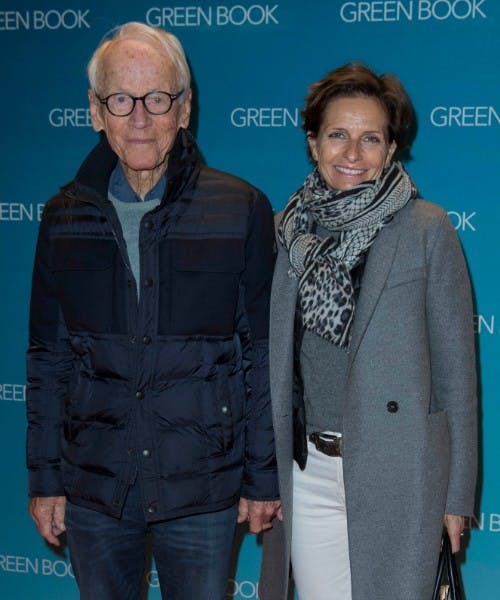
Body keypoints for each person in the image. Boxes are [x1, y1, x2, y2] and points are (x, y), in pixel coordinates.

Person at [26, 21, 280, 600]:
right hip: (95, 486)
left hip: (202, 484)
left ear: (184, 108)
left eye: (157, 98)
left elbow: (262, 354)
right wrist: (45, 478)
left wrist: (262, 476)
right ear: (96, 111)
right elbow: (48, 357)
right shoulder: (62, 216)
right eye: (121, 99)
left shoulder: (240, 208)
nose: (139, 117)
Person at [259, 62, 477, 600]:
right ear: (313, 143)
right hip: (309, 471)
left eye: (371, 138)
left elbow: (457, 375)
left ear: (391, 148)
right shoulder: (287, 232)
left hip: (401, 469)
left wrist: (457, 496)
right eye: (338, 135)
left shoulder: (426, 228)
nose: (353, 153)